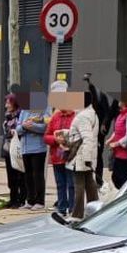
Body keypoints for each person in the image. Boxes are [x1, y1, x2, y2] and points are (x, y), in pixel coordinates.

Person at [9, 89, 49, 210]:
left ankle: (40, 201)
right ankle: (30, 200)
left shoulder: (44, 109)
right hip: (25, 148)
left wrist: (32, 126)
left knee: (38, 174)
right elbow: (18, 128)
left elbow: (46, 127)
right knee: (28, 175)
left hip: (38, 147)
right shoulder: (24, 111)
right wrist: (24, 127)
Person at [45, 82, 78, 216]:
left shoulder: (76, 117)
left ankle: (72, 208)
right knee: (60, 184)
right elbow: (46, 136)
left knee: (71, 184)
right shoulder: (55, 117)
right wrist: (55, 140)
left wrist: (67, 140)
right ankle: (62, 208)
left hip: (70, 156)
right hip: (57, 156)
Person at [0, 93, 27, 209]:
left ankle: (21, 199)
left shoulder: (20, 116)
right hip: (8, 149)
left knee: (19, 176)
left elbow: (20, 131)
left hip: (17, 149)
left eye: (8, 103)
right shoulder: (7, 117)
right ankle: (12, 198)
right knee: (11, 177)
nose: (6, 105)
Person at [107, 95, 127, 188]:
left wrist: (116, 143)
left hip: (125, 154)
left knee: (123, 179)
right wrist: (110, 139)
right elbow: (116, 130)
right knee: (115, 177)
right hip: (117, 153)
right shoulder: (121, 114)